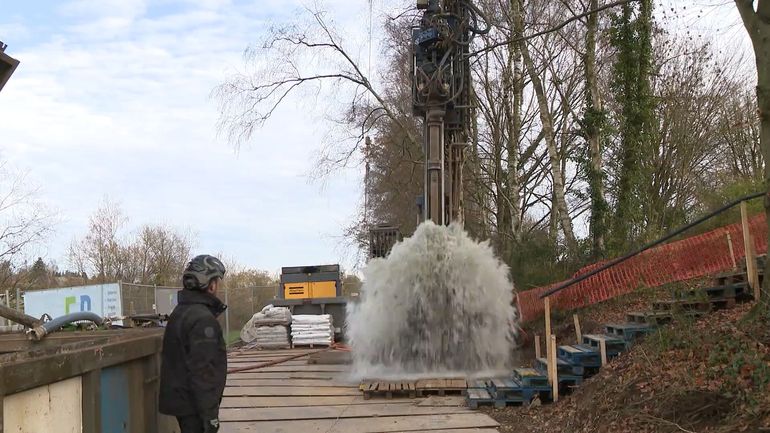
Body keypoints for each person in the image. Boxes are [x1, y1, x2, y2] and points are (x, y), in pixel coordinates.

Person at [159, 255, 228, 433]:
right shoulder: (203, 319)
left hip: (183, 403)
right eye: (216, 281)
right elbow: (203, 372)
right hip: (195, 407)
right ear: (210, 285)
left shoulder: (180, 312)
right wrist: (210, 415)